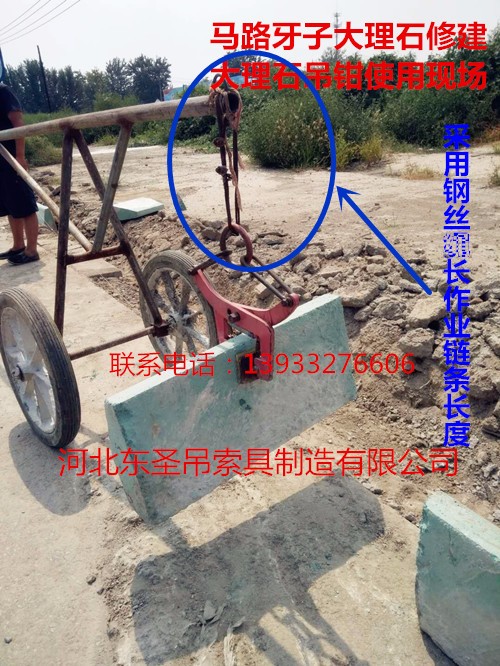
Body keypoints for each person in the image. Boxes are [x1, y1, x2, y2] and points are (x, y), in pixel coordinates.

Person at [0, 82, 39, 264]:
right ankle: (18, 246)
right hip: (1, 161)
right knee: (10, 204)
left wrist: (20, 156)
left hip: (12, 158)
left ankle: (31, 251)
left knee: (25, 204)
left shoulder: (3, 91)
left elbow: (18, 122)